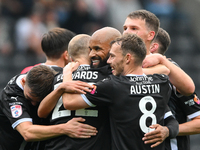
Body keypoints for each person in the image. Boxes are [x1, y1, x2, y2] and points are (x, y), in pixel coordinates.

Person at [52, 34, 179, 150]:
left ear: (127, 58)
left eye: (112, 56)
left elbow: (69, 102)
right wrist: (167, 131)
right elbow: (172, 122)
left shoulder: (112, 86)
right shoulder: (161, 82)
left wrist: (67, 74)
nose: (108, 61)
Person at [38, 34, 113, 150]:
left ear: (69, 57)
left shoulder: (57, 77)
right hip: (92, 144)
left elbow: (41, 113)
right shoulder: (106, 76)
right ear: (91, 54)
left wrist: (61, 86)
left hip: (56, 145)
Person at [0, 65, 97, 150]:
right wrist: (65, 128)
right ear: (23, 81)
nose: (34, 104)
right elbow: (27, 133)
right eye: (29, 99)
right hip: (13, 146)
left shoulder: (52, 74)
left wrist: (69, 71)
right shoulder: (10, 95)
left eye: (39, 101)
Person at [122, 9, 195, 96]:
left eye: (134, 28)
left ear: (150, 35)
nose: (126, 32)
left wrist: (162, 60)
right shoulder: (112, 61)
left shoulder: (166, 64)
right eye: (125, 28)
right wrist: (158, 71)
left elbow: (189, 89)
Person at [150, 27, 200, 150]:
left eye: (133, 29)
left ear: (153, 47)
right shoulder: (124, 74)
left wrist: (168, 130)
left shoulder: (174, 76)